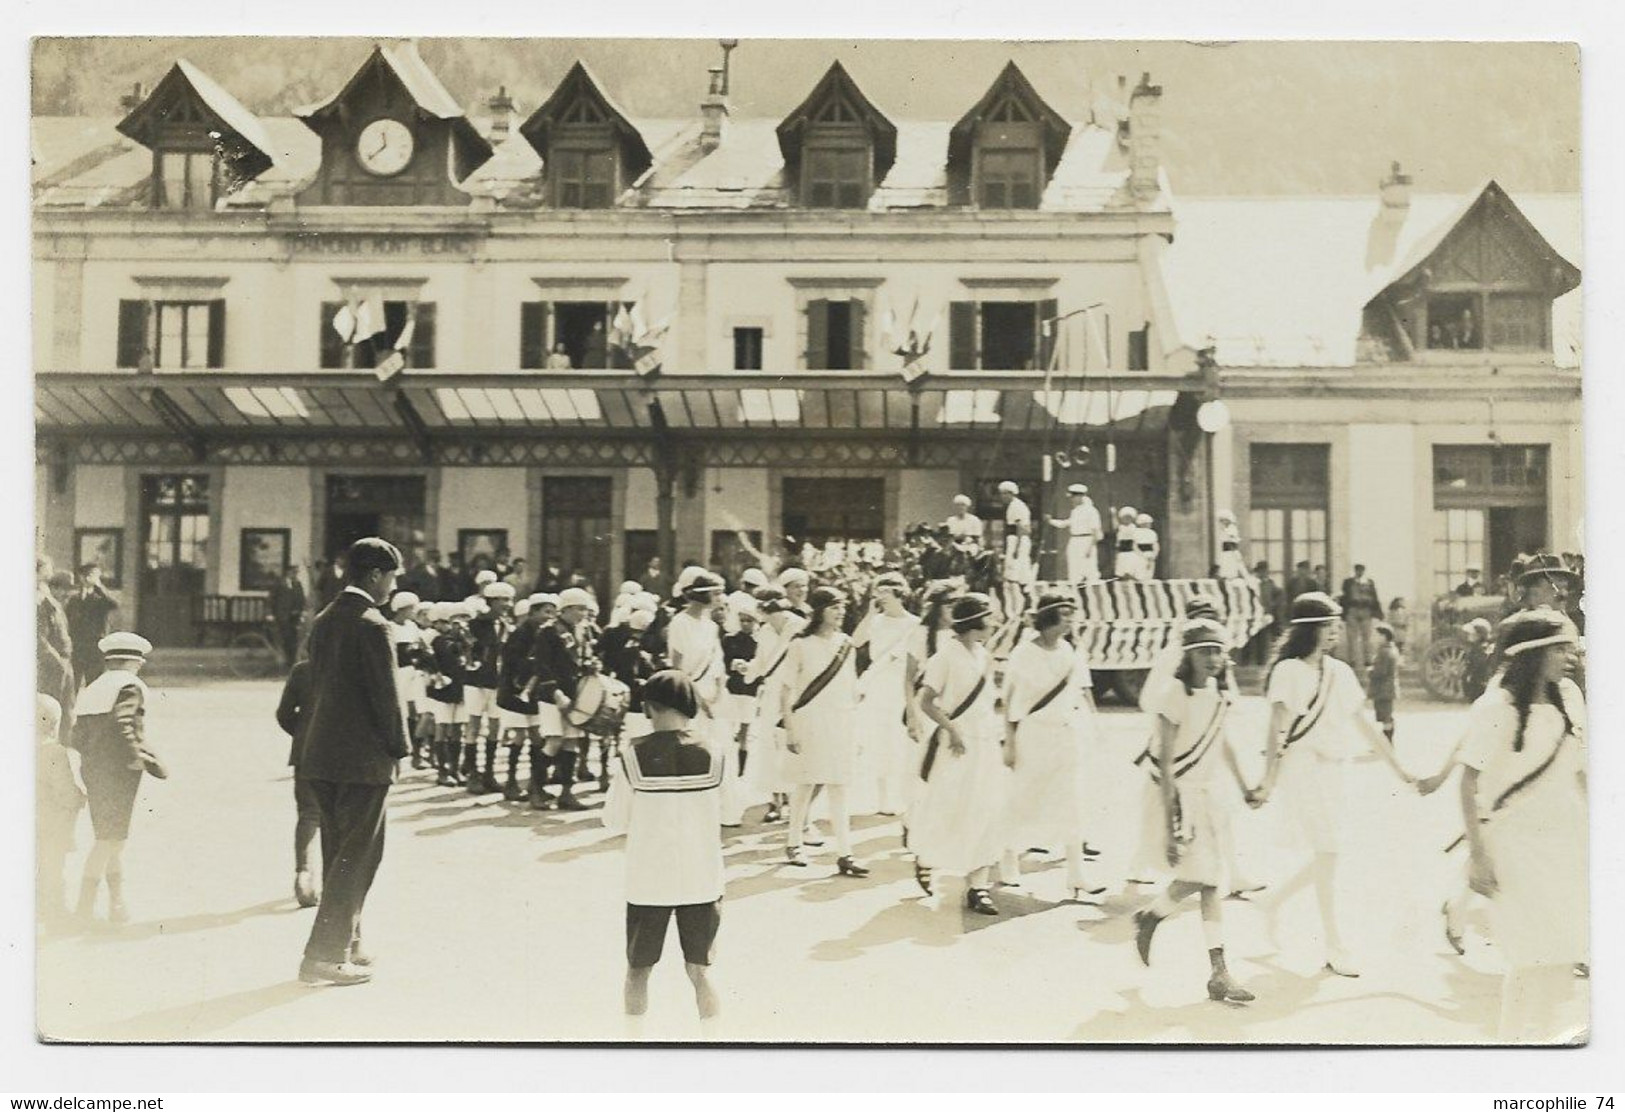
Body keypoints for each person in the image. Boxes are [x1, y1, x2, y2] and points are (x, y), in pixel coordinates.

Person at [1249, 592, 1423, 977]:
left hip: (1334, 770)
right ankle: (1334, 943)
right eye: (1329, 625)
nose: (1335, 632)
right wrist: (1267, 781)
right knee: (1328, 850)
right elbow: (1275, 730)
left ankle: (1273, 903)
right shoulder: (1289, 671)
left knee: (1330, 852)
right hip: (1302, 766)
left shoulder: (1339, 672)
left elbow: (1364, 725)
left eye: (1336, 624)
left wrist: (1399, 768)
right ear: (1311, 628)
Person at [1455, 610, 1586, 1041]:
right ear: (1533, 654)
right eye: (1561, 647)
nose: (1571, 655)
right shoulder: (1497, 707)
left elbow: (1581, 773)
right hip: (1515, 847)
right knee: (1529, 957)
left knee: (1563, 951)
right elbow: (1468, 782)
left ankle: (1547, 1042)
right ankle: (1510, 1050)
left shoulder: (1569, 696)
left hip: (1567, 840)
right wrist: (1478, 856)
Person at [294, 537, 409, 986]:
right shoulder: (374, 625)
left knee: (338, 853)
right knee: (358, 858)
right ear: (377, 576)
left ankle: (349, 940)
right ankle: (323, 955)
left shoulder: (324, 619)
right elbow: (388, 698)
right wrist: (400, 749)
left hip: (321, 756)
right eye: (393, 577)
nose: (394, 586)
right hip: (363, 760)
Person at [1131, 619, 1256, 1003]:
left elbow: (1225, 744)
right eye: (1204, 651)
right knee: (1206, 880)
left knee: (1206, 881)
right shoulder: (1174, 695)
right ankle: (1216, 970)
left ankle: (1156, 918)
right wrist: (1169, 829)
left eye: (1218, 651)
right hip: (1177, 798)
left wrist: (1244, 785)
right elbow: (1167, 764)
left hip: (1207, 797)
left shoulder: (1219, 695)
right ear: (1188, 655)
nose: (1213, 659)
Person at [601, 670, 726, 1020]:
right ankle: (713, 1046)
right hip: (702, 878)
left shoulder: (633, 755)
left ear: (650, 708)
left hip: (648, 880)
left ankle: (633, 1046)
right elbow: (734, 809)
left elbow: (613, 819)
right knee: (700, 972)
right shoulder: (716, 752)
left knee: (638, 972)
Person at [909, 593, 1009, 914]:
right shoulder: (945, 656)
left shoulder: (984, 655)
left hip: (985, 743)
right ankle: (925, 858)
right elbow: (925, 700)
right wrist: (951, 729)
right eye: (989, 617)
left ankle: (977, 887)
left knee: (985, 809)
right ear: (975, 621)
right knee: (948, 806)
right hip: (956, 745)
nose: (994, 624)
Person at [1001, 592, 1101, 899]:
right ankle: (1007, 859)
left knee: (1071, 799)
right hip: (1033, 734)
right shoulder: (1022, 654)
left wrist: (1094, 724)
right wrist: (1010, 743)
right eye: (1066, 614)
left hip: (1066, 733)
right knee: (1024, 798)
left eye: (1073, 613)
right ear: (1048, 617)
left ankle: (1076, 874)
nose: (1072, 620)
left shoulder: (1070, 650)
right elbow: (1008, 700)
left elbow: (1083, 690)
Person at [68, 631, 159, 927]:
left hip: (94, 770)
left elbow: (76, 736)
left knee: (110, 838)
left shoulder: (93, 688)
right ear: (134, 662)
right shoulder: (129, 686)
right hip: (119, 773)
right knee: (110, 840)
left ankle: (116, 905)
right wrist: (136, 756)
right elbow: (124, 723)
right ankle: (85, 909)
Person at [779, 587, 868, 876]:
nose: (840, 612)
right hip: (810, 720)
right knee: (806, 783)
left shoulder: (846, 644)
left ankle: (845, 853)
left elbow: (852, 689)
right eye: (834, 607)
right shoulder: (800, 645)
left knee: (840, 786)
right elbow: (786, 690)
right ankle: (793, 842)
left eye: (842, 607)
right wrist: (790, 728)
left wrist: (857, 727)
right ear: (819, 611)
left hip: (841, 722)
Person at [665, 572, 743, 825]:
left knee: (721, 749)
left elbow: (718, 663)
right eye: (717, 592)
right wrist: (700, 700)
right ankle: (693, 812)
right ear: (702, 594)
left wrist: (718, 694)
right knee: (694, 751)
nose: (721, 598)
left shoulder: (711, 626)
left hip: (715, 696)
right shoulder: (680, 623)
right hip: (690, 696)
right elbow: (677, 669)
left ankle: (723, 810)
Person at [850, 572, 921, 816]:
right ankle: (879, 798)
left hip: (901, 685)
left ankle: (900, 797)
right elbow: (856, 642)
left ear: (899, 594)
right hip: (876, 685)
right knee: (875, 741)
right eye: (878, 593)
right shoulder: (876, 621)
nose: (881, 598)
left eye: (886, 593)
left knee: (897, 741)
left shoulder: (914, 623)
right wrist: (870, 614)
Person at [525, 587, 599, 811]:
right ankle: (536, 788)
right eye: (579, 609)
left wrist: (592, 666)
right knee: (554, 740)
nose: (583, 614)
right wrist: (556, 693)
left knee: (571, 742)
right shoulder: (549, 631)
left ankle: (567, 792)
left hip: (575, 692)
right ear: (565, 609)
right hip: (552, 695)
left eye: (586, 609)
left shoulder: (584, 631)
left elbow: (582, 659)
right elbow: (542, 665)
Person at [275, 654, 321, 909]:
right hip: (343, 757)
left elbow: (283, 714)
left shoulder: (302, 670)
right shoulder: (351, 668)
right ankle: (334, 881)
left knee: (309, 814)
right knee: (339, 819)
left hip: (305, 754)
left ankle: (304, 871)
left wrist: (304, 733)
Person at [36, 693, 83, 932]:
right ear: (54, 724)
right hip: (51, 824)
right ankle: (56, 914)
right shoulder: (53, 753)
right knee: (53, 869)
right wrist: (79, 797)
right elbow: (65, 790)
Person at [464, 581, 516, 794]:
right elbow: (469, 649)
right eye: (501, 600)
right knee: (474, 725)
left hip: (496, 681)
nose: (506, 604)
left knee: (495, 727)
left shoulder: (506, 625)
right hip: (476, 680)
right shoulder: (475, 624)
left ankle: (489, 773)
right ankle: (472, 774)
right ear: (490, 601)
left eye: (508, 600)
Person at [424, 603, 472, 787]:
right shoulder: (438, 641)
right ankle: (443, 771)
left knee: (458, 728)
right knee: (442, 727)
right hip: (443, 689)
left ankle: (454, 768)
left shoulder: (462, 640)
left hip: (459, 687)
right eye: (444, 622)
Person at [66, 564, 121, 687]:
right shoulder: (74, 598)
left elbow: (114, 605)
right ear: (81, 577)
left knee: (94, 683)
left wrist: (100, 586)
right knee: (74, 683)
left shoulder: (101, 598)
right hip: (78, 645)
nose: (89, 578)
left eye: (94, 575)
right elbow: (68, 619)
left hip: (95, 645)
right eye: (87, 575)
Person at [37, 566, 76, 715]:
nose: (68, 594)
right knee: (52, 711)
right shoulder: (44, 609)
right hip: (53, 668)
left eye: (69, 589)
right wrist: (58, 661)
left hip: (65, 665)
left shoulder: (58, 608)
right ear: (53, 589)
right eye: (64, 589)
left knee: (67, 710)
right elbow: (41, 641)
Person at [1049, 484, 1103, 584]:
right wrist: (1051, 521)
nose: (1072, 499)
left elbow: (1096, 531)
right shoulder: (1076, 511)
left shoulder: (1091, 511)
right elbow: (1066, 523)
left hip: (1086, 540)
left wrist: (1090, 548)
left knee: (1090, 568)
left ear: (1080, 496)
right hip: (1074, 540)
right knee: (1074, 568)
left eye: (1073, 497)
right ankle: (1075, 589)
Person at [1338, 563, 1384, 674]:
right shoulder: (1348, 582)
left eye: (1361, 570)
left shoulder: (1369, 582)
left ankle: (1368, 661)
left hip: (1366, 610)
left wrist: (1378, 612)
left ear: (1364, 571)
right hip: (1353, 610)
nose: (1359, 572)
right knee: (1352, 637)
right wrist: (1343, 612)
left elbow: (1374, 596)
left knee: (1366, 637)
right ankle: (1352, 661)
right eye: (1358, 570)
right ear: (1355, 571)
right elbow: (1344, 597)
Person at [997, 480, 1034, 619]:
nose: (1002, 497)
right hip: (1015, 540)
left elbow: (1021, 529)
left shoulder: (1017, 506)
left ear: (1010, 493)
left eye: (1004, 494)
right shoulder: (1013, 506)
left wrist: (1017, 548)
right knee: (1019, 575)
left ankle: (1019, 606)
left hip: (1018, 541)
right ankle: (1024, 603)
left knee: (1014, 574)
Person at [269, 565, 308, 672]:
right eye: (293, 572)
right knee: (286, 638)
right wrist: (270, 613)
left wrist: (302, 611)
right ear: (288, 572)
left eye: (296, 573)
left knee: (294, 639)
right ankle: (287, 662)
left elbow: (302, 599)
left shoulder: (297, 584)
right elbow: (271, 599)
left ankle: (291, 663)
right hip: (282, 615)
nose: (295, 575)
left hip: (294, 616)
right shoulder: (279, 584)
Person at [1368, 622, 1400, 744]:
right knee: (1385, 716)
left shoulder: (1384, 651)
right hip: (1387, 689)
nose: (1374, 638)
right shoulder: (1390, 649)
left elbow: (1381, 671)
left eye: (1377, 635)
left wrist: (1370, 671)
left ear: (1384, 636)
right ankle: (1385, 742)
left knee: (1386, 717)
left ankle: (1387, 743)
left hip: (1383, 689)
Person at [1215, 511, 1249, 581]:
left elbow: (1232, 542)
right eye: (1220, 520)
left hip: (1231, 552)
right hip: (1226, 553)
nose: (1221, 522)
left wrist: (1235, 552)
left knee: (1232, 568)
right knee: (1226, 569)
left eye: (1222, 520)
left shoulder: (1231, 528)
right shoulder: (1224, 530)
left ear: (1228, 520)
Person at [1111, 507, 1141, 581]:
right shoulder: (1120, 527)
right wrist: (1113, 515)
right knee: (1121, 571)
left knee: (1130, 570)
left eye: (1129, 518)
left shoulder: (1133, 527)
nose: (1127, 520)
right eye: (1125, 518)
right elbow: (1115, 525)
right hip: (1121, 552)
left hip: (1130, 552)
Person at [1135, 513, 1161, 580]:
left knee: (1149, 573)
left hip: (1150, 554)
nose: (1149, 524)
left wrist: (1154, 555)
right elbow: (1134, 545)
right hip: (1139, 555)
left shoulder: (1152, 533)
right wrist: (1141, 555)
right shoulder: (1135, 532)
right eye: (1147, 523)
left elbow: (1155, 545)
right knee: (1139, 573)